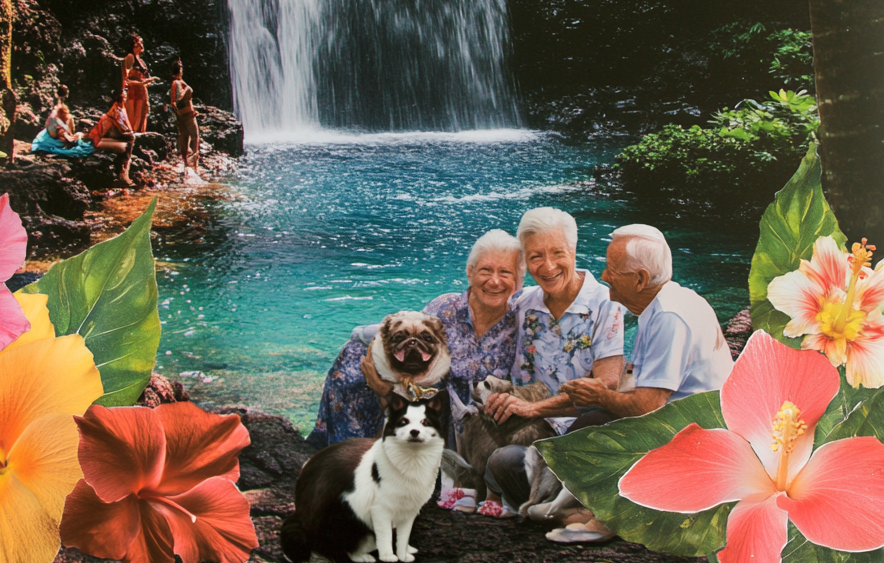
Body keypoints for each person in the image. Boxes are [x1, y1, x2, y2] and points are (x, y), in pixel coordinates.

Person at [307, 229, 525, 455]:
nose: (494, 281)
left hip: (475, 421)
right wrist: (387, 388)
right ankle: (344, 454)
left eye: (505, 272)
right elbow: (403, 340)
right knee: (355, 357)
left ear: (518, 280)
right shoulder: (444, 308)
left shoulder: (524, 317)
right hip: (428, 402)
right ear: (470, 273)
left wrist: (387, 391)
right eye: (485, 270)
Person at [481, 207, 624, 517]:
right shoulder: (523, 303)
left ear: (573, 249)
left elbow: (606, 385)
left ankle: (559, 506)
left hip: (581, 430)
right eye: (535, 257)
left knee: (595, 425)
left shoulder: (605, 303)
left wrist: (533, 408)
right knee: (503, 461)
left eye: (558, 253)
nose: (547, 266)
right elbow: (474, 314)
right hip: (533, 433)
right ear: (525, 260)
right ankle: (560, 508)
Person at [560, 223, 733, 418]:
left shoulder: (668, 317)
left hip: (694, 427)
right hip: (688, 416)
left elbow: (646, 407)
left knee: (592, 420)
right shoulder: (661, 303)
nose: (604, 276)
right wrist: (601, 390)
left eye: (611, 270)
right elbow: (633, 377)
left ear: (640, 280)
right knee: (590, 414)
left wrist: (601, 396)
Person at [88, 85, 136, 187]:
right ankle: (122, 173)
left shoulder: (119, 108)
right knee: (130, 140)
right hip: (107, 135)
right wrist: (128, 133)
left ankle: (123, 170)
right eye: (125, 97)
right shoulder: (116, 110)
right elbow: (119, 126)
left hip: (112, 133)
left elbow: (122, 126)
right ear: (122, 98)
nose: (126, 98)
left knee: (130, 139)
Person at [31, 85, 95, 158]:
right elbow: (69, 131)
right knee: (77, 138)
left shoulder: (56, 110)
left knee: (74, 135)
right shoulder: (63, 114)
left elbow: (48, 125)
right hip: (55, 139)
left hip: (47, 137)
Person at [168, 58, 200, 179]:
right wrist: (187, 90)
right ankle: (194, 164)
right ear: (179, 70)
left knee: (185, 138)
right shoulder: (176, 83)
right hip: (187, 116)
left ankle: (187, 164)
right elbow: (177, 99)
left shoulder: (178, 82)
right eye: (181, 68)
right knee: (195, 137)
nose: (182, 70)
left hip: (186, 114)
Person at [122, 34, 157, 133]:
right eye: (138, 43)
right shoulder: (130, 57)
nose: (141, 45)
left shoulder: (141, 61)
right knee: (133, 118)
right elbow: (125, 79)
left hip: (142, 92)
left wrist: (148, 81)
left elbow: (144, 78)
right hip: (132, 93)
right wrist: (143, 82)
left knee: (141, 116)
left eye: (141, 43)